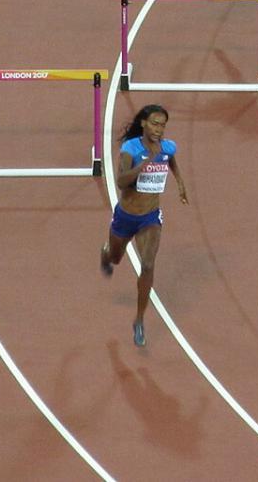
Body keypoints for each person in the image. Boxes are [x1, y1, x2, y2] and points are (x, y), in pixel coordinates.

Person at [99, 104, 189, 347]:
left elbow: (170, 161)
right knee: (116, 258)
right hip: (126, 216)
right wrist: (143, 166)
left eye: (163, 125)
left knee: (148, 264)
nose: (159, 129)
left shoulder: (167, 147)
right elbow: (121, 181)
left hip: (150, 217)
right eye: (155, 124)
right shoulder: (131, 149)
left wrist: (180, 183)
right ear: (143, 124)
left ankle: (139, 320)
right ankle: (106, 253)